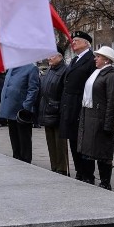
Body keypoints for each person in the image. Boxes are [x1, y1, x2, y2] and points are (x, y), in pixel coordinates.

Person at [77, 46, 114, 190]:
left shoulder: (112, 76)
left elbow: (113, 101)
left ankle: (105, 181)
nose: (95, 59)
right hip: (89, 116)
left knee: (102, 152)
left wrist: (109, 124)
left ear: (106, 60)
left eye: (98, 57)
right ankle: (88, 177)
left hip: (101, 119)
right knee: (87, 151)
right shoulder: (97, 73)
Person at [59, 31, 97, 183]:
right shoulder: (74, 60)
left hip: (81, 105)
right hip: (70, 106)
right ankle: (79, 172)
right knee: (73, 141)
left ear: (86, 43)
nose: (73, 43)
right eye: (73, 40)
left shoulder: (91, 59)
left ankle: (88, 174)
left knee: (83, 142)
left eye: (76, 40)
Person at [0, 64, 40, 163]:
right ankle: (16, 157)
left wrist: (27, 107)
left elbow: (33, 89)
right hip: (10, 108)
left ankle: (25, 160)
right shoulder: (12, 68)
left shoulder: (31, 68)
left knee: (24, 138)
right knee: (14, 137)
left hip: (22, 110)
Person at [37, 45, 68, 175]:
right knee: (50, 142)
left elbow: (65, 93)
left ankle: (62, 169)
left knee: (60, 143)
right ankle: (54, 166)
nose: (49, 58)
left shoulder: (65, 71)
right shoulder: (50, 70)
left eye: (52, 55)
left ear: (60, 57)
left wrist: (58, 108)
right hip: (47, 110)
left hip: (57, 111)